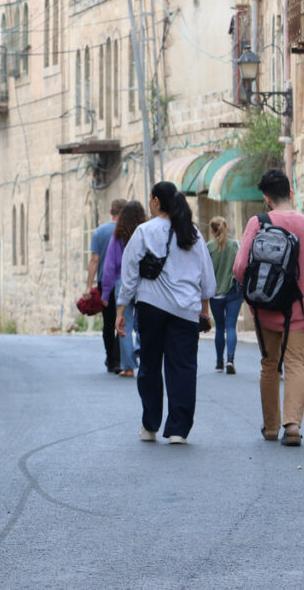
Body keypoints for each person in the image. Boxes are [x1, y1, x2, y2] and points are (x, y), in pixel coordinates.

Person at [233, 169, 304, 447]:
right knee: (294, 363)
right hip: (299, 313)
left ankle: (270, 428)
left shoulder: (258, 223)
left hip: (265, 311)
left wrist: (256, 295)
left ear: (267, 198)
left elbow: (240, 267)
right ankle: (292, 426)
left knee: (269, 365)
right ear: (291, 193)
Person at [116, 181, 216, 444]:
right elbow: (206, 278)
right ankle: (178, 430)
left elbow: (129, 274)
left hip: (151, 307)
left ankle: (150, 425)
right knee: (183, 368)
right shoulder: (193, 233)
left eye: (151, 198)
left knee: (149, 365)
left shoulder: (144, 231)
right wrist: (204, 312)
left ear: (156, 201)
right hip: (185, 311)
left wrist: (121, 308)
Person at [101, 201, 148, 377]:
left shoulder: (118, 235)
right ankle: (145, 359)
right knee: (144, 323)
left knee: (123, 325)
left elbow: (109, 267)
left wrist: (106, 293)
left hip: (123, 281)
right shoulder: (146, 233)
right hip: (144, 281)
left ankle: (128, 367)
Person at [84, 198, 125, 373]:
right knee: (122, 320)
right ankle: (117, 357)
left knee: (108, 322)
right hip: (124, 282)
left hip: (104, 283)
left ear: (111, 212)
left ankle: (111, 357)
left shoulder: (100, 232)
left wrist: (88, 286)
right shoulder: (128, 231)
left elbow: (94, 260)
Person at [207, 217, 242, 375]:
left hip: (215, 294)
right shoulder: (235, 245)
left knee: (219, 327)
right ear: (226, 228)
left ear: (212, 230)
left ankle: (219, 362)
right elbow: (241, 267)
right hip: (233, 292)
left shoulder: (208, 247)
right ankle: (230, 359)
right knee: (231, 326)